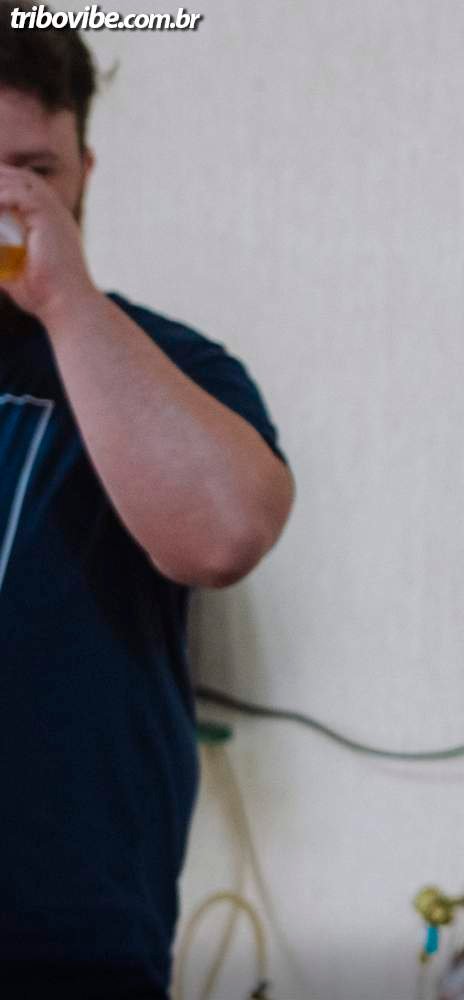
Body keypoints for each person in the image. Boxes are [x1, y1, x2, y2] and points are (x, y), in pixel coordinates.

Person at [0, 11, 293, 998]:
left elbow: (225, 534)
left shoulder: (170, 363)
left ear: (85, 171)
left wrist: (63, 299)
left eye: (34, 170)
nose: (6, 198)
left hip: (66, 940)